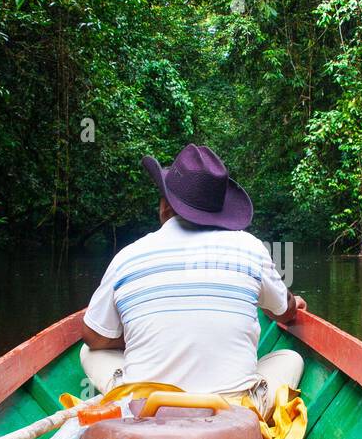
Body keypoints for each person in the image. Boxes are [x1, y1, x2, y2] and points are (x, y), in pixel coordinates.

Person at [81, 143, 305, 416]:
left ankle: (132, 401)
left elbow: (93, 337)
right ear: (220, 211)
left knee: (88, 353)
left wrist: (139, 337)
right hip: (232, 414)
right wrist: (290, 302)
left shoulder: (128, 256)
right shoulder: (251, 248)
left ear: (165, 207)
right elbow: (283, 313)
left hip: (147, 411)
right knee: (291, 359)